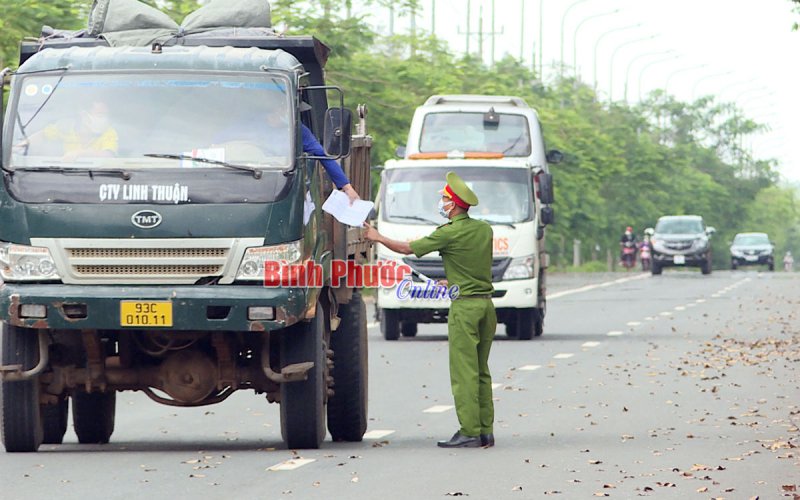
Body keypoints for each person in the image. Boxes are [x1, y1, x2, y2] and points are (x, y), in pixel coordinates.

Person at [364, 171, 497, 448]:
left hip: (465, 310)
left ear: (455, 205)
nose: (442, 204)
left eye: (445, 200)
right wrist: (454, 279)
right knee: (482, 370)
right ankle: (485, 430)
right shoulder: (484, 229)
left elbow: (407, 248)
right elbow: (471, 262)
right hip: (486, 306)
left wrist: (377, 236)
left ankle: (469, 431)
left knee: (464, 372)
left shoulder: (449, 233)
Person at [214, 99, 360, 203]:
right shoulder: (248, 124)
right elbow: (217, 142)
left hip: (281, 183)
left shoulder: (299, 130)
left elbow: (323, 155)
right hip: (244, 179)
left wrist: (347, 187)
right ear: (280, 109)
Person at [21, 101, 118, 160]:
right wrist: (22, 145)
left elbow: (108, 155)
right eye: (100, 115)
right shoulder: (65, 126)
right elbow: (42, 134)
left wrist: (79, 153)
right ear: (84, 115)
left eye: (105, 115)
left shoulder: (108, 132)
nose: (103, 119)